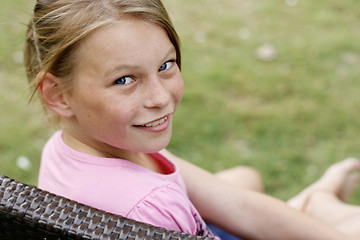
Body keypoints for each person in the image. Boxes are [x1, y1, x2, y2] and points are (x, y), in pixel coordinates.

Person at [24, 0, 360, 239]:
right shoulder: (148, 209)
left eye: (165, 65)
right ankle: (318, 203)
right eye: (124, 80)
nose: (160, 98)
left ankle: (314, 203)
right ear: (58, 95)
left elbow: (239, 206)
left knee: (246, 178)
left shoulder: (82, 145)